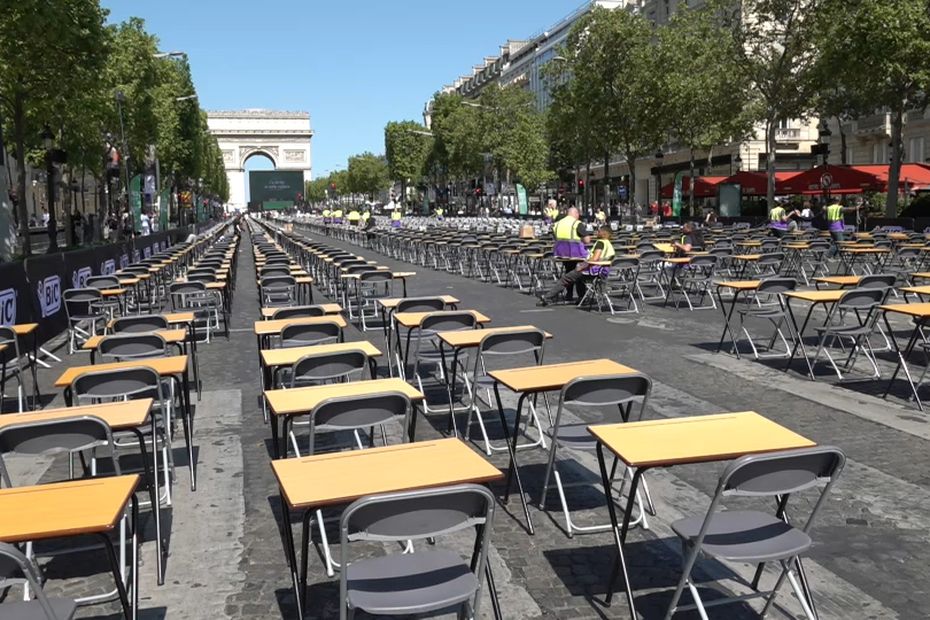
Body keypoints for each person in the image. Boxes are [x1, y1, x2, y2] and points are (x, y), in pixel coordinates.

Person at [539, 225, 614, 306]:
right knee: (578, 279)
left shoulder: (600, 243)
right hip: (601, 272)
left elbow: (595, 258)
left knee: (566, 278)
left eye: (598, 231)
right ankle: (582, 298)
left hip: (591, 270)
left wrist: (582, 266)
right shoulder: (609, 244)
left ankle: (547, 298)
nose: (596, 232)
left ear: (604, 233)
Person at [549, 206, 591, 303]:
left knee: (568, 271)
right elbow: (587, 240)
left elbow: (555, 238)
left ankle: (569, 294)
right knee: (579, 272)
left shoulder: (557, 224)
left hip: (561, 253)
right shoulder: (577, 224)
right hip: (576, 253)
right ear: (576, 214)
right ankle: (581, 296)